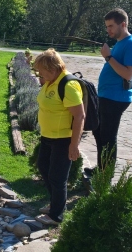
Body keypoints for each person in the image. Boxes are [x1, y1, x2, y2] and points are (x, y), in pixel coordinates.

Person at [85, 8, 132, 175]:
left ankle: (105, 178)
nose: (108, 29)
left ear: (123, 24)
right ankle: (102, 169)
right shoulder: (120, 42)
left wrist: (108, 57)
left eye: (111, 26)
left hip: (116, 98)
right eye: (106, 26)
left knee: (108, 138)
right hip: (107, 96)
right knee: (99, 132)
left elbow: (129, 74)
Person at [33, 48, 85, 225]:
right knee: (43, 167)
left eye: (41, 70)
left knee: (57, 176)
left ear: (52, 68)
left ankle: (56, 216)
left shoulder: (68, 85)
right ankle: (55, 203)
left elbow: (79, 116)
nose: (39, 73)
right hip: (48, 136)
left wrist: (74, 144)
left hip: (63, 139)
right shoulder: (51, 81)